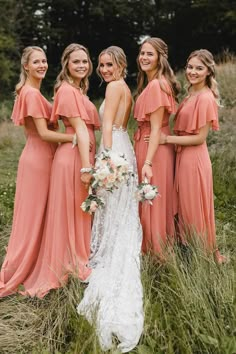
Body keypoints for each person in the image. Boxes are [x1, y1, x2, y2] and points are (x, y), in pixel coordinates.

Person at [77, 46, 143, 353]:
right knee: (119, 211)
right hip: (124, 144)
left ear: (120, 65)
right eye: (101, 65)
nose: (104, 69)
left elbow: (106, 126)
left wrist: (106, 160)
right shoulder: (125, 89)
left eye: (109, 64)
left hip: (114, 148)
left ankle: (105, 255)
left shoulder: (115, 87)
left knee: (110, 208)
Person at [21, 43, 100, 298]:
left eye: (85, 61)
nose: (81, 65)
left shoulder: (78, 89)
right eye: (75, 61)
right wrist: (87, 166)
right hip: (74, 158)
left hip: (79, 153)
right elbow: (77, 131)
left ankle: (79, 258)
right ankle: (72, 262)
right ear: (66, 64)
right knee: (74, 210)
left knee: (80, 211)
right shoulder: (66, 90)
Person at [0, 46, 75, 297]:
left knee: (38, 216)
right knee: (32, 219)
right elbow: (42, 134)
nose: (42, 65)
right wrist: (74, 138)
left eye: (44, 61)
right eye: (36, 62)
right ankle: (18, 269)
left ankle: (35, 264)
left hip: (39, 156)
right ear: (26, 66)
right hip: (38, 160)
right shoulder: (31, 94)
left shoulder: (30, 91)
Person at [159, 49, 226, 264]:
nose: (193, 72)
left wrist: (167, 140)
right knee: (184, 204)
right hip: (183, 156)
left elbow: (199, 138)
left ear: (208, 71)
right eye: (190, 67)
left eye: (199, 68)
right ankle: (187, 248)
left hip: (194, 158)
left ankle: (199, 254)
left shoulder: (206, 98)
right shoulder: (191, 95)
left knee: (193, 205)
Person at [133, 37, 180, 257]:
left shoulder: (156, 85)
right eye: (142, 53)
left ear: (160, 57)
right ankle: (152, 248)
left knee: (153, 200)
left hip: (154, 150)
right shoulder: (151, 83)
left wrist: (148, 163)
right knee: (150, 198)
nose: (144, 57)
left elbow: (155, 129)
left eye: (150, 54)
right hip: (150, 145)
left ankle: (157, 251)